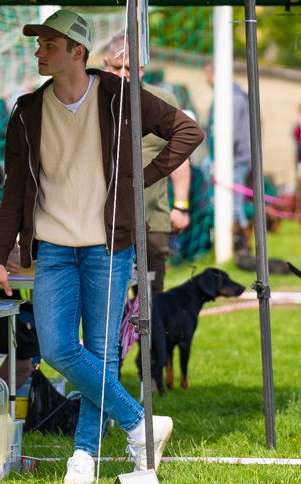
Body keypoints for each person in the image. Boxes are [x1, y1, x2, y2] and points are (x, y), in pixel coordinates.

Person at [0, 9, 204, 484]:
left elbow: (188, 131)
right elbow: (15, 188)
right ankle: (139, 424)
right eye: (39, 43)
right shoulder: (26, 110)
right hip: (53, 248)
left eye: (49, 44)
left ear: (77, 52)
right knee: (58, 348)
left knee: (102, 352)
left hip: (109, 246)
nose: (39, 51)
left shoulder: (118, 94)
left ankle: (84, 455)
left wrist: (140, 180)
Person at [103, 34, 193, 294]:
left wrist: (181, 206)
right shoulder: (92, 99)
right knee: (109, 298)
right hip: (104, 222)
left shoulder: (163, 100)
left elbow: (179, 157)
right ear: (105, 64)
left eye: (131, 68)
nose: (124, 74)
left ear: (142, 68)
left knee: (152, 299)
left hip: (153, 218)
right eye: (117, 67)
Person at [203, 59, 252, 240]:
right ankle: (231, 240)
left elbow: (232, 133)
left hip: (235, 160)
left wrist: (218, 159)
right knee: (229, 204)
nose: (207, 80)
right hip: (231, 159)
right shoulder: (227, 96)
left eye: (208, 75)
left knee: (234, 206)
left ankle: (241, 243)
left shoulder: (232, 98)